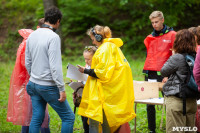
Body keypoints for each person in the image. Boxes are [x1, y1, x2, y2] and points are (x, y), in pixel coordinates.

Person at [77, 25, 136, 133]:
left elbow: (102, 73)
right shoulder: (112, 47)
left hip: (103, 91)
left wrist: (85, 71)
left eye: (93, 39)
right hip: (110, 91)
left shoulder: (105, 49)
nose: (93, 42)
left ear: (98, 37)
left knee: (95, 122)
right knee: (105, 122)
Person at [25, 7, 75, 133]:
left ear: (46, 18)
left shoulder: (32, 35)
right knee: (68, 117)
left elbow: (27, 62)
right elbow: (55, 67)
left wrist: (34, 76)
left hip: (32, 84)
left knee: (37, 118)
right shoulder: (53, 37)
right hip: (47, 86)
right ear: (58, 21)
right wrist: (61, 89)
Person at [7, 18, 50, 133]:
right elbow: (25, 63)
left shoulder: (32, 40)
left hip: (33, 81)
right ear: (38, 28)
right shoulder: (30, 41)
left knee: (31, 114)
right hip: (31, 82)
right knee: (37, 115)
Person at [143, 11, 176, 133]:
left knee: (170, 102)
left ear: (162, 20)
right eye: (152, 22)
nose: (154, 25)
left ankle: (170, 128)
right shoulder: (150, 37)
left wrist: (169, 74)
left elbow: (175, 56)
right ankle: (152, 129)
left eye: (156, 22)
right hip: (151, 73)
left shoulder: (173, 35)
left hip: (166, 74)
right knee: (149, 102)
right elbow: (149, 56)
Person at [161, 29, 197, 133]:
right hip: (192, 102)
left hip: (177, 102)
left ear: (177, 42)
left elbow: (163, 71)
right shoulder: (196, 57)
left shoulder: (177, 58)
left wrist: (173, 54)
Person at [81, 46, 97, 133]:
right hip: (85, 97)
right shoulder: (87, 65)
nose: (86, 61)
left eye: (88, 59)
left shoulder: (97, 67)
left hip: (93, 99)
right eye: (85, 59)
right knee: (85, 122)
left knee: (91, 123)